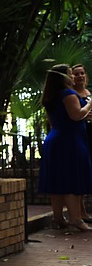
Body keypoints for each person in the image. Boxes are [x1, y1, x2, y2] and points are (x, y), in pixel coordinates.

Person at [38, 64, 92, 231]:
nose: (73, 77)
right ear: (63, 77)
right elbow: (76, 115)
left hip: (55, 138)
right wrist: (90, 104)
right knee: (71, 179)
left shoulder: (51, 96)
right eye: (70, 74)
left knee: (58, 180)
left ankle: (58, 217)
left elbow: (54, 120)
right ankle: (76, 219)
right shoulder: (68, 94)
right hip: (70, 140)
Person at [71, 63, 92, 222]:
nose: (80, 76)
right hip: (79, 133)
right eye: (76, 74)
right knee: (80, 170)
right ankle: (81, 210)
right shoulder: (71, 94)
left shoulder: (88, 93)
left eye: (82, 73)